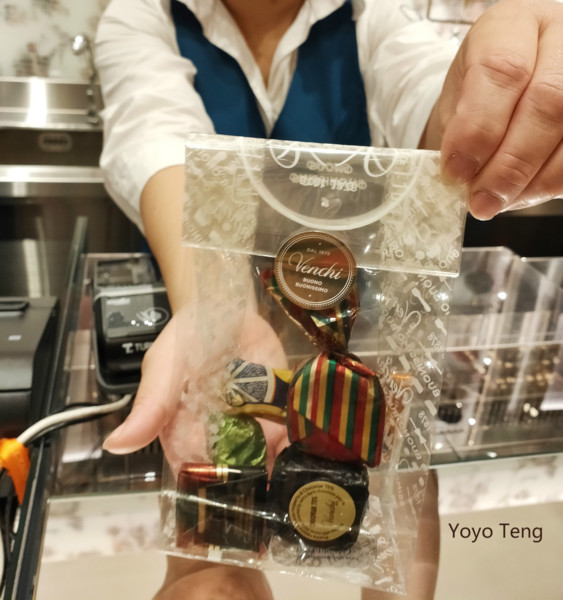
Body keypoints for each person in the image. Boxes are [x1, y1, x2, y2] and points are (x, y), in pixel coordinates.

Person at [94, 1, 563, 598]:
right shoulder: (142, 15)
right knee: (213, 572)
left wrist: (487, 100)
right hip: (217, 352)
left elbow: (426, 97)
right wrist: (217, 311)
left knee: (394, 538)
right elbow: (156, 138)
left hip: (358, 345)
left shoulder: (374, 15)